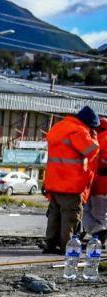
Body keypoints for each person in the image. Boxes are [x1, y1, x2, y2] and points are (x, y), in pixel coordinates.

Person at [41, 105, 100, 254]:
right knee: (70, 216)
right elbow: (91, 152)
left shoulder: (59, 127)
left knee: (54, 215)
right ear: (87, 123)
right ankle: (66, 246)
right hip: (70, 183)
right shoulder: (78, 131)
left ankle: (50, 244)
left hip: (53, 181)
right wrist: (93, 136)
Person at [84, 116, 107, 245]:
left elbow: (89, 157)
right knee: (101, 213)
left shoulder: (99, 140)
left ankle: (100, 237)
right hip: (102, 185)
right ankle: (99, 236)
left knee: (95, 213)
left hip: (99, 184)